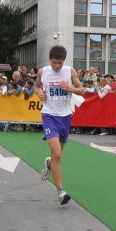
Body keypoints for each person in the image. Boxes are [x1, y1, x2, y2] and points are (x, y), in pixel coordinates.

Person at [35, 45, 85, 205]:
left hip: (65, 116)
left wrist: (69, 88)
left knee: (58, 156)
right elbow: (36, 86)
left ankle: (49, 164)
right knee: (56, 153)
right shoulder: (42, 72)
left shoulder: (70, 71)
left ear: (64, 61)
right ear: (50, 60)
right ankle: (60, 191)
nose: (57, 66)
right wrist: (39, 93)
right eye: (55, 63)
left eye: (60, 63)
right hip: (49, 115)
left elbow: (82, 90)